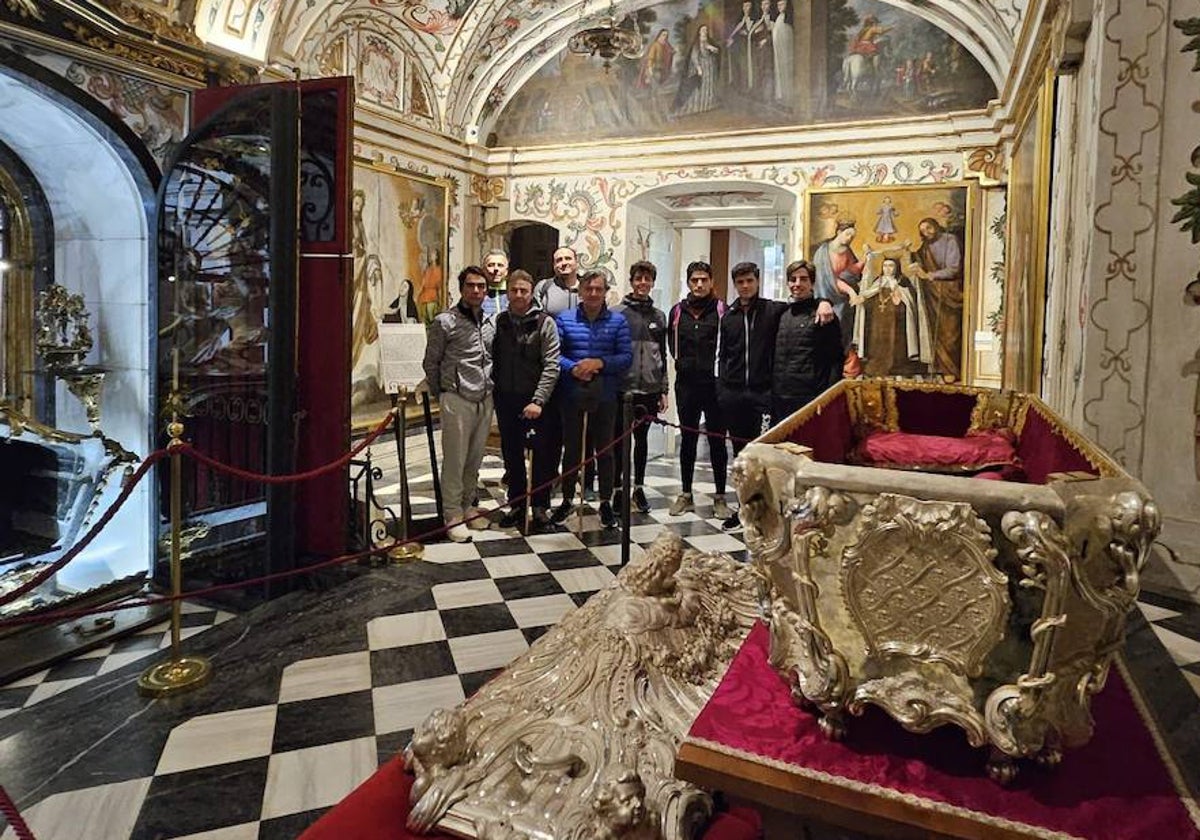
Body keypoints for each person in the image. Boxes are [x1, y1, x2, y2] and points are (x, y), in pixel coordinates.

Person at [718, 262, 832, 531]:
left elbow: (803, 302)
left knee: (764, 454)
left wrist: (825, 302)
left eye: (749, 281)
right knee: (740, 456)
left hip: (763, 396)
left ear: (757, 281)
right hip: (734, 395)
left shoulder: (773, 311)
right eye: (740, 282)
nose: (745, 286)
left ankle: (768, 509)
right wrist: (722, 390)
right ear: (736, 285)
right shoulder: (729, 316)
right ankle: (743, 506)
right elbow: (723, 357)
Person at [553, 270, 632, 529]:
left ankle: (606, 502)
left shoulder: (618, 321)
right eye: (589, 289)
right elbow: (555, 355)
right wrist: (573, 367)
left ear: (605, 291)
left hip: (606, 394)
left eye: (599, 289)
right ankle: (566, 499)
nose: (594, 294)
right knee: (572, 449)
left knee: (605, 450)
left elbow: (625, 357)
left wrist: (599, 362)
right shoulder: (564, 319)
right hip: (572, 393)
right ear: (580, 292)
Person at [421, 266, 495, 543]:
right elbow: (431, 361)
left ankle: (468, 508)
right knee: (455, 459)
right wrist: (442, 391)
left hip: (484, 396)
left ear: (486, 290)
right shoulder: (445, 322)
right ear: (461, 288)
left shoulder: (490, 322)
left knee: (475, 459)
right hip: (456, 396)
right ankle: (452, 515)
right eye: (471, 285)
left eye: (481, 286)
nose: (476, 291)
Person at [491, 270, 561, 531]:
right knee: (511, 456)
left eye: (524, 290)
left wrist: (538, 401)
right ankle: (517, 504)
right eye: (514, 290)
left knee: (542, 456)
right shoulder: (499, 322)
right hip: (507, 398)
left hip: (537, 401)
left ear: (532, 292)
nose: (519, 295)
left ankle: (541, 507)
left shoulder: (545, 323)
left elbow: (552, 365)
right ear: (508, 292)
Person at [666, 261, 730, 519]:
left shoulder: (722, 310)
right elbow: (672, 345)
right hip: (686, 386)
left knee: (717, 441)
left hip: (715, 387)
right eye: (695, 280)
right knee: (688, 440)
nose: (699, 284)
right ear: (688, 282)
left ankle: (721, 497)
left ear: (711, 281)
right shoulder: (677, 311)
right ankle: (685, 494)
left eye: (704, 279)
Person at [613, 261, 668, 514]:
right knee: (618, 443)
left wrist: (664, 388)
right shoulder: (618, 313)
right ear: (632, 281)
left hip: (650, 389)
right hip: (624, 390)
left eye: (647, 279)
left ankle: (639, 487)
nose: (643, 283)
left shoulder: (659, 316)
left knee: (642, 441)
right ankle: (616, 490)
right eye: (638, 278)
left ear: (653, 282)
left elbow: (663, 355)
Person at [771, 260, 844, 424]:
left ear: (812, 282)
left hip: (810, 397)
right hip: (780, 397)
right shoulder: (781, 314)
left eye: (803, 279)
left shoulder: (825, 316)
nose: (797, 284)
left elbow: (836, 360)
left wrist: (827, 398)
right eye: (793, 279)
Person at [852, 255, 930, 377]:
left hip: (897, 321)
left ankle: (897, 366)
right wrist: (864, 298)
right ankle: (877, 363)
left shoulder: (902, 281)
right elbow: (869, 296)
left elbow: (910, 301)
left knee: (897, 344)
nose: (887, 269)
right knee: (877, 341)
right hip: (878, 320)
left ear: (896, 267)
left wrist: (898, 293)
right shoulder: (878, 281)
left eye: (891, 266)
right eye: (885, 266)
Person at [911, 217, 964, 380]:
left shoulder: (950, 240)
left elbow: (954, 268)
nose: (926, 232)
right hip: (933, 293)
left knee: (950, 332)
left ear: (935, 225)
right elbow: (919, 259)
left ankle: (953, 370)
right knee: (936, 331)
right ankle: (941, 369)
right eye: (923, 231)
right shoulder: (926, 246)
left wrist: (930, 275)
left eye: (928, 228)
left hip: (951, 291)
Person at [812, 221, 864, 351]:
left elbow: (852, 272)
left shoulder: (847, 251)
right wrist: (851, 291)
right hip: (827, 297)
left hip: (843, 299)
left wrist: (866, 259)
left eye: (852, 236)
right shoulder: (823, 252)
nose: (850, 238)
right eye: (848, 234)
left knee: (846, 329)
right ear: (839, 232)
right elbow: (828, 279)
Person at [673, 24, 720, 116]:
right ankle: (699, 106)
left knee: (709, 87)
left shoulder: (709, 41)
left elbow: (716, 51)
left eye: (706, 30)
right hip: (702, 67)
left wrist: (713, 49)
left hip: (710, 68)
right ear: (699, 32)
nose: (705, 31)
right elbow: (694, 57)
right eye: (703, 30)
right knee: (700, 87)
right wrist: (698, 68)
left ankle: (708, 105)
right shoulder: (697, 43)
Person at [534, 246, 582, 316]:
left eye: (568, 258)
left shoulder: (589, 288)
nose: (564, 263)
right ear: (554, 265)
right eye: (559, 260)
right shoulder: (543, 287)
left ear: (576, 262)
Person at [481, 249, 510, 316]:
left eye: (500, 265)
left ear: (506, 271)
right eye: (491, 265)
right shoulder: (477, 294)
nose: (496, 269)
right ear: (483, 270)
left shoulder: (514, 293)